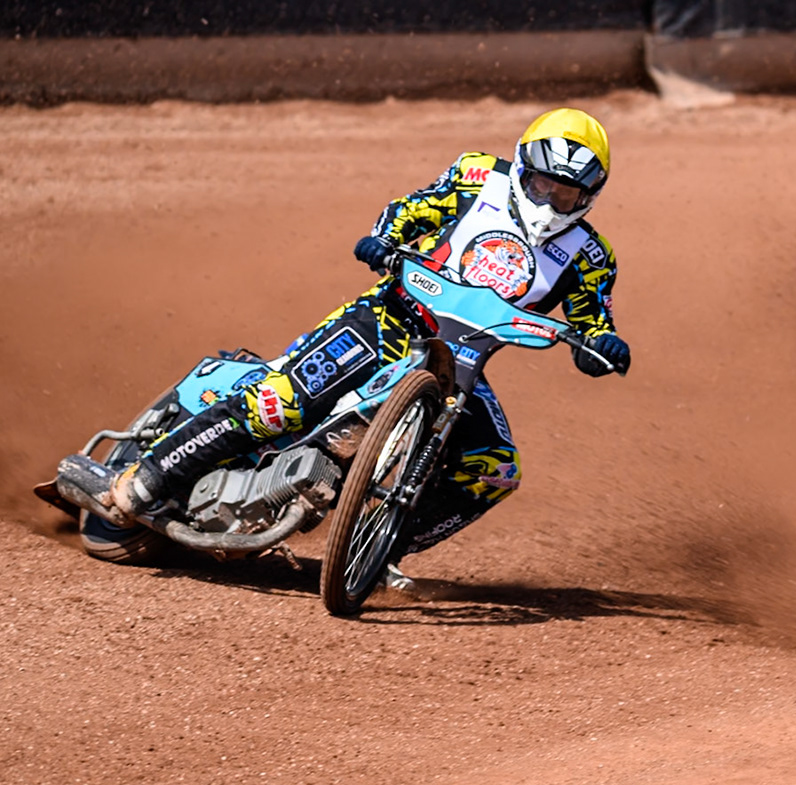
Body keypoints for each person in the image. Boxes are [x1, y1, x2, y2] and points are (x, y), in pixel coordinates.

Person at [107, 108, 630, 574]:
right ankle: (150, 478)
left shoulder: (591, 255)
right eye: (542, 184)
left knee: (493, 468)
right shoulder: (478, 175)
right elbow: (411, 209)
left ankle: (377, 550)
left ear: (590, 194)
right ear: (523, 167)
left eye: (567, 193)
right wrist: (383, 239)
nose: (552, 199)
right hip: (388, 317)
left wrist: (604, 347)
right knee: (282, 400)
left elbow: (592, 323)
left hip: (462, 361)